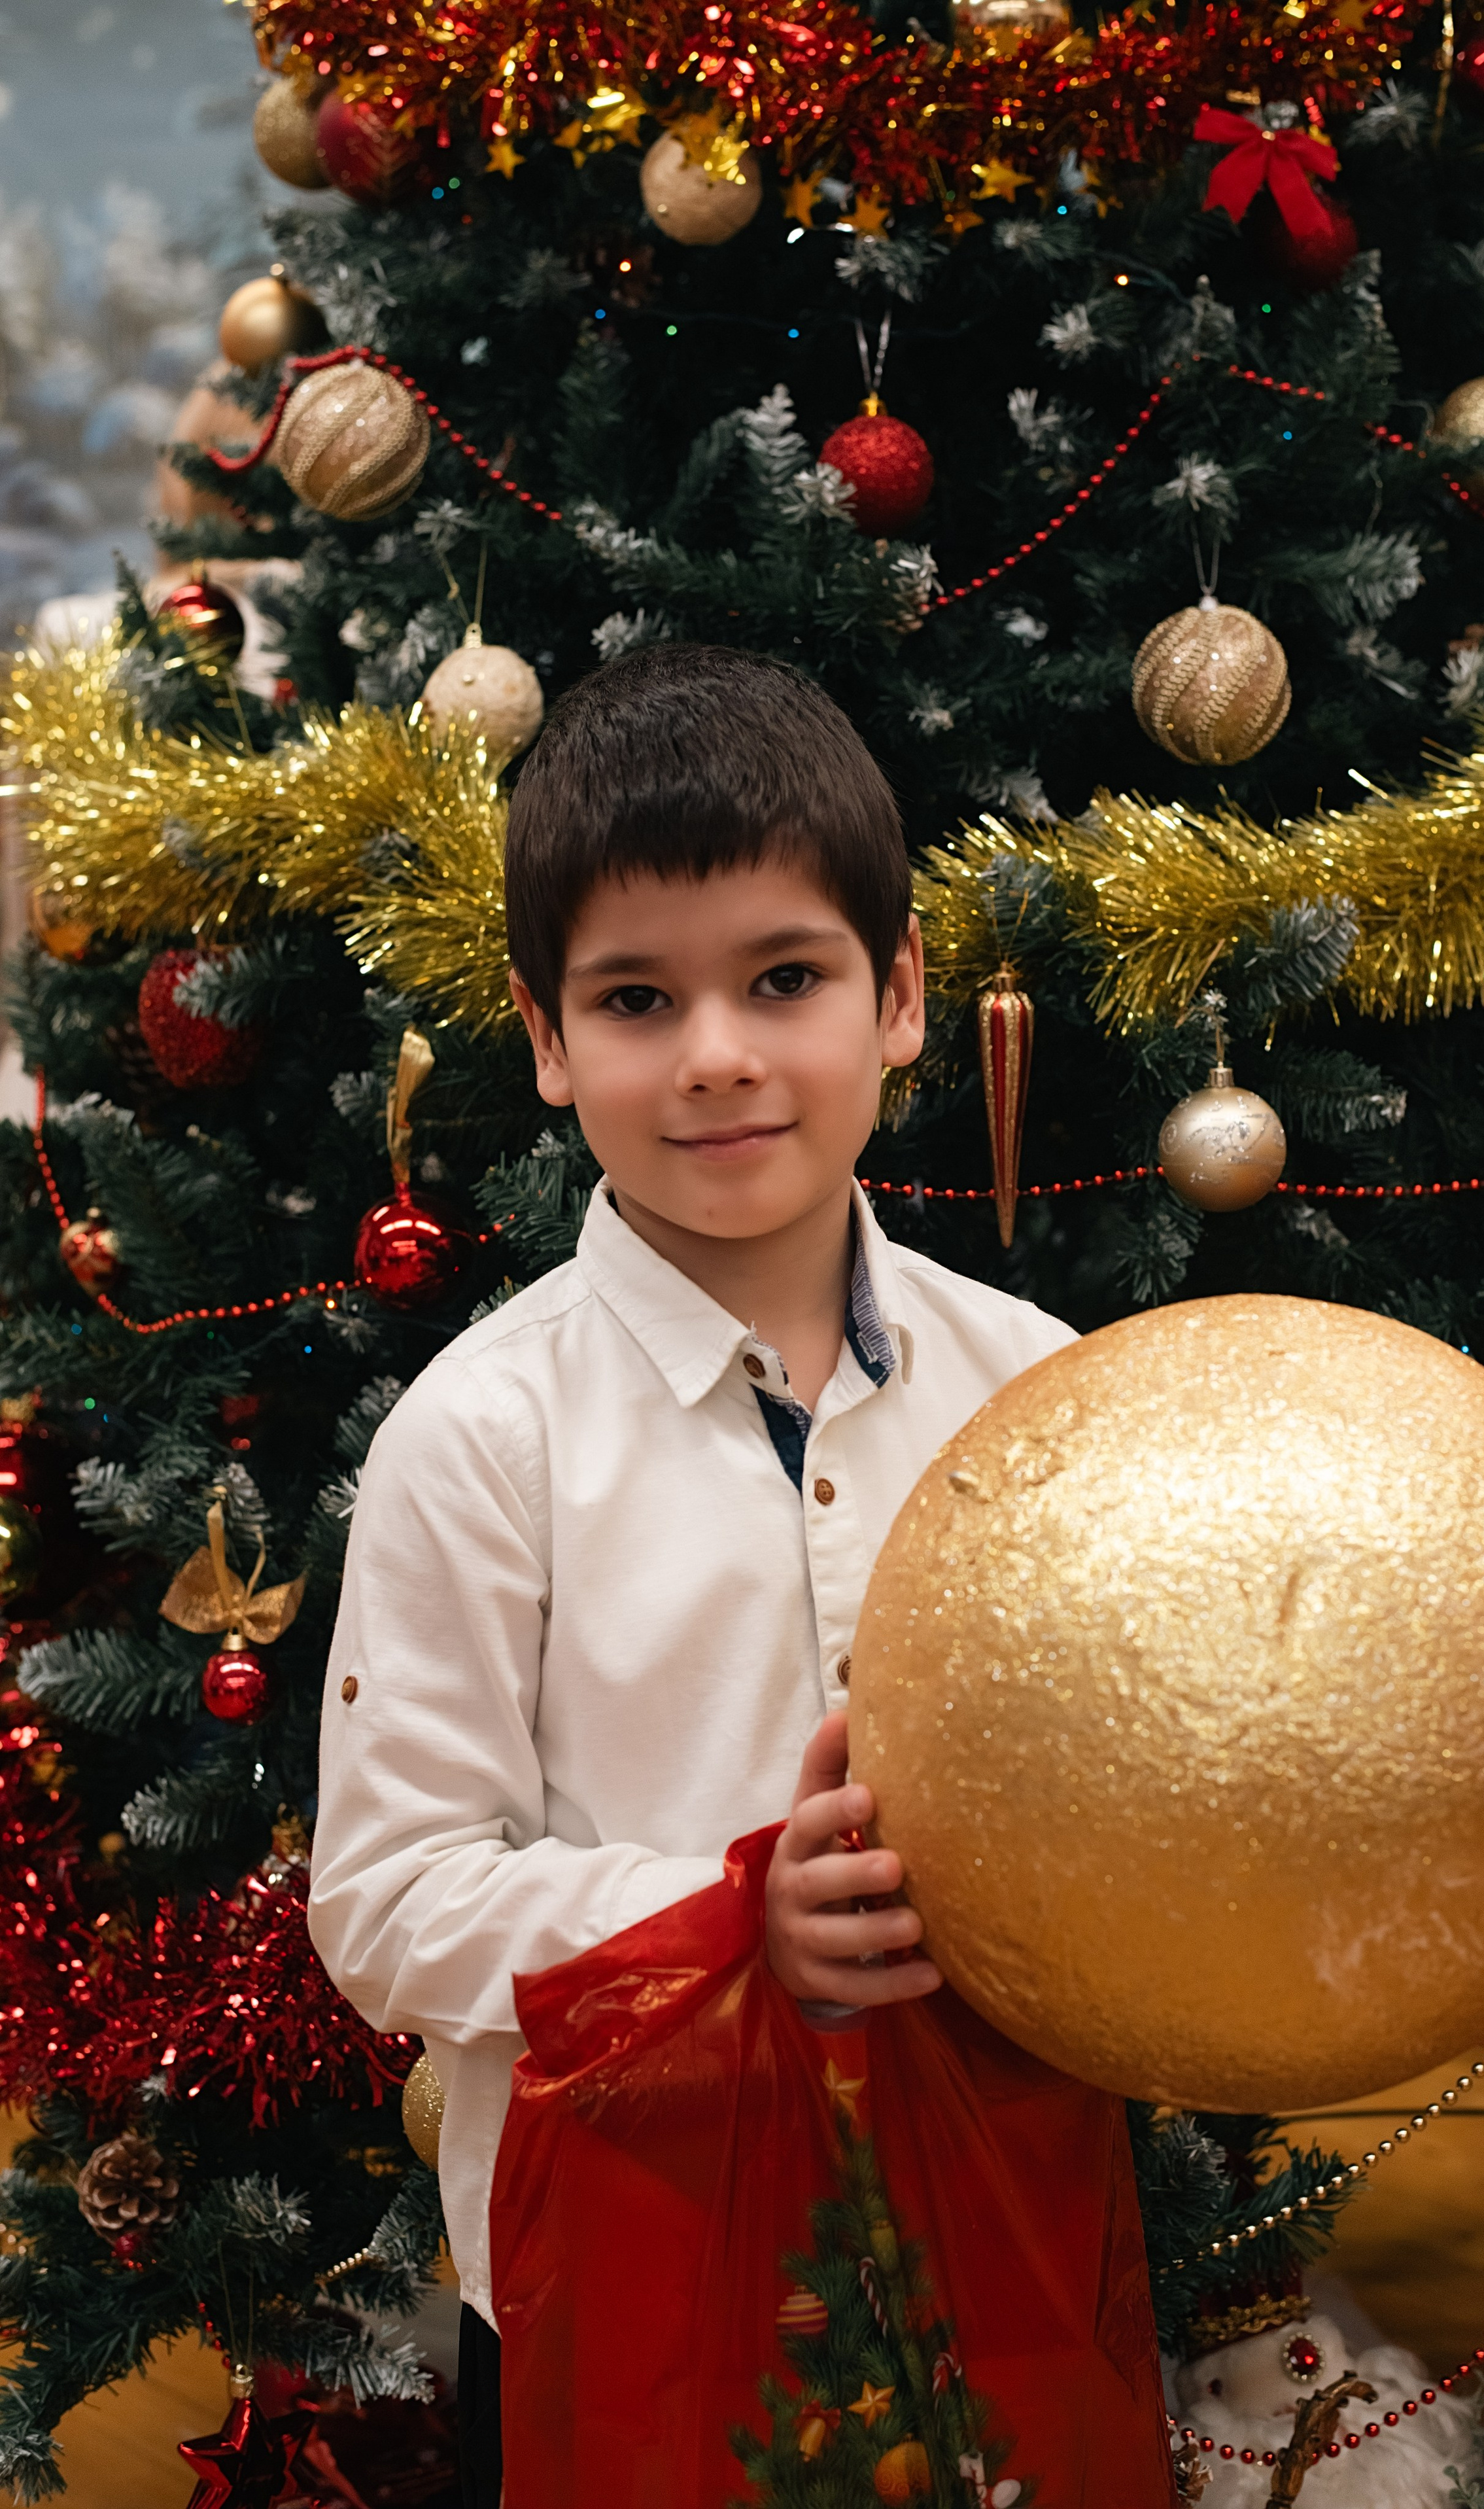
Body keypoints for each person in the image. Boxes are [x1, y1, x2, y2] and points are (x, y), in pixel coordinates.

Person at [307, 644, 1077, 2503]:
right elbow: (391, 1899)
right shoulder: (482, 1435)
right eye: (639, 998)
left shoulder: (1048, 1393)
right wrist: (733, 1927)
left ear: (900, 997)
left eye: (786, 979)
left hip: (987, 2249)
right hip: (618, 2271)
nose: (718, 1052)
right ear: (550, 1036)